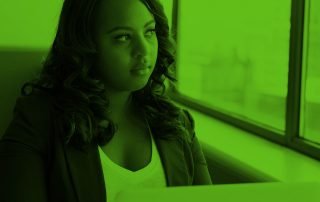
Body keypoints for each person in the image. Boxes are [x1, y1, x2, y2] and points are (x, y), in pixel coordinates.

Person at [0, 0, 212, 201]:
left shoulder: (178, 124)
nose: (144, 50)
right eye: (123, 37)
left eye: (149, 32)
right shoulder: (37, 122)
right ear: (84, 45)